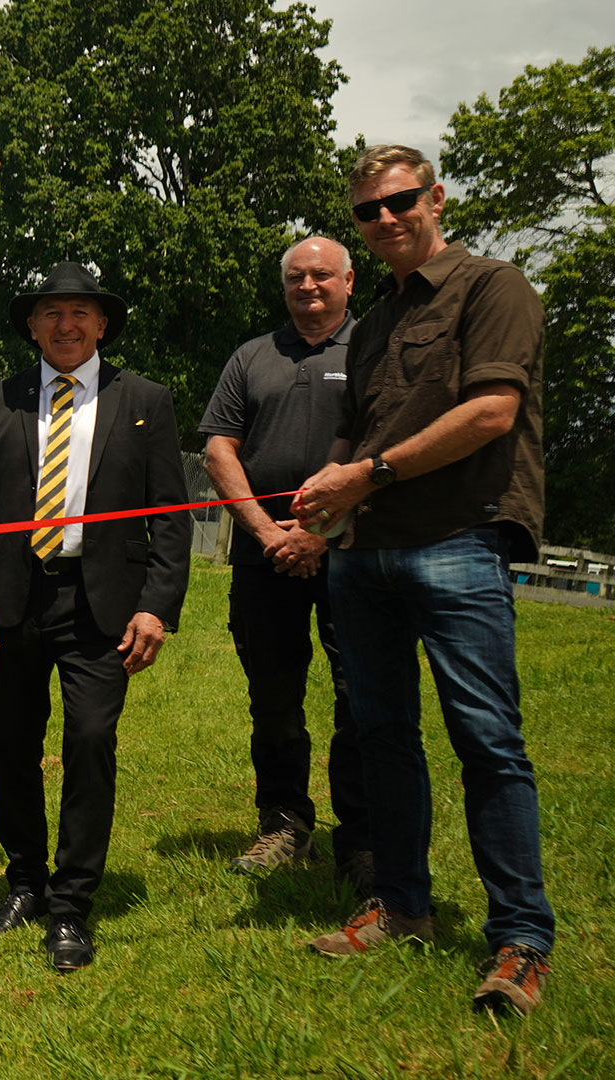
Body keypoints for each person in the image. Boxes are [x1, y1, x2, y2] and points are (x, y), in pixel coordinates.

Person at [293, 145, 555, 1016]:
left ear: (435, 198)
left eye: (400, 202)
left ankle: (520, 939)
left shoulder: (494, 288)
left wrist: (363, 478)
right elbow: (349, 438)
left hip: (457, 541)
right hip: (364, 553)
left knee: (486, 739)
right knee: (383, 739)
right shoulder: (370, 325)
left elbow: (492, 411)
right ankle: (403, 905)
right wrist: (317, 509)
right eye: (368, 212)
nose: (386, 220)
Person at [0, 262, 190, 972]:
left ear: (102, 324)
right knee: (12, 748)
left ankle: (73, 904)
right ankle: (25, 884)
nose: (67, 325)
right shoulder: (0, 401)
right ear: (31, 326)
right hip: (8, 603)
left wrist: (157, 607)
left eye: (81, 312)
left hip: (100, 604)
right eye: (52, 313)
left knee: (88, 740)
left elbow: (172, 521)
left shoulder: (145, 399)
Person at [200, 238, 371, 887]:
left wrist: (322, 531)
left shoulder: (372, 353)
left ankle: (362, 842)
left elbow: (385, 448)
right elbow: (219, 450)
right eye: (296, 277)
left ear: (349, 281)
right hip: (261, 558)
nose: (308, 286)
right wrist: (270, 533)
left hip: (353, 555)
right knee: (272, 699)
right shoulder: (251, 357)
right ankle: (284, 823)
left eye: (321, 275)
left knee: (362, 697)